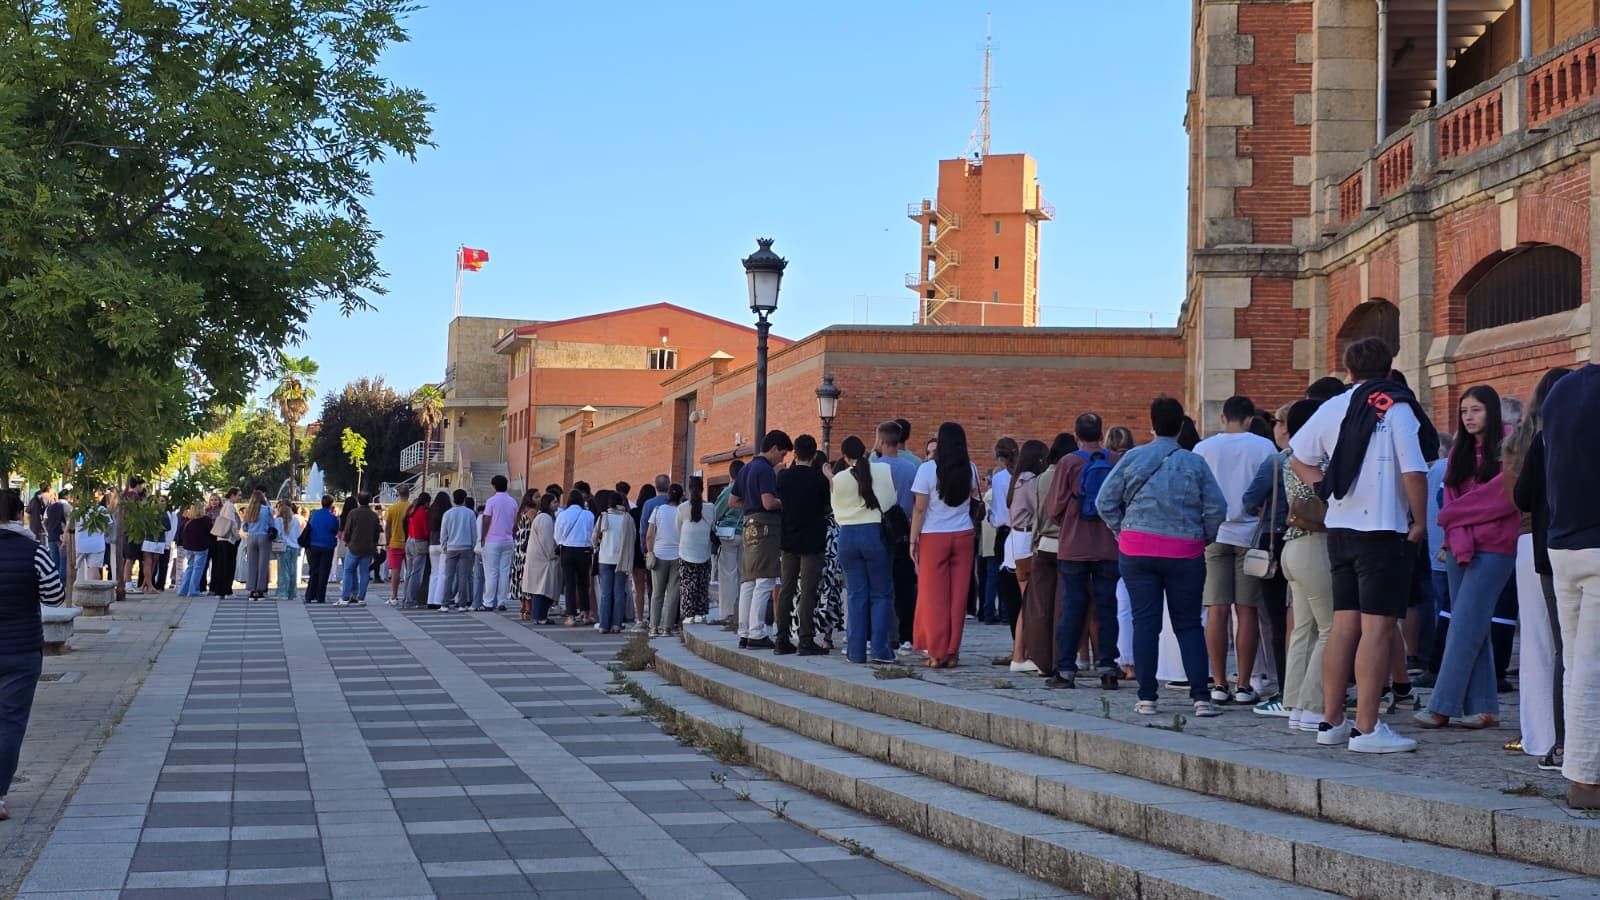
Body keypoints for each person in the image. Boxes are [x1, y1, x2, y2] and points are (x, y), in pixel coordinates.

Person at [1290, 337, 1434, 754]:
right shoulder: (1396, 405)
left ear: (1347, 370)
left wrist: (1324, 488)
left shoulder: (1332, 406)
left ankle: (1331, 720)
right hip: (1383, 529)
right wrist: (1421, 520)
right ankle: (1367, 727)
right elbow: (1414, 470)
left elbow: (1298, 454)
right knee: (1378, 628)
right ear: (1390, 368)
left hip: (1340, 529)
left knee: (1344, 626)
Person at [1096, 397, 1226, 718]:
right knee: (1188, 625)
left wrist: (1120, 530)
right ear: (1181, 426)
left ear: (1151, 423)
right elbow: (1217, 507)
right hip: (1185, 551)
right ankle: (1200, 697)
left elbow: (1105, 501)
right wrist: (1204, 534)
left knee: (1145, 624)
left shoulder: (1133, 458)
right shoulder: (1194, 462)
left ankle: (1147, 696)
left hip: (1137, 549)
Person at [1413, 385, 1518, 730]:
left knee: (1462, 626)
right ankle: (1485, 707)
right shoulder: (1459, 451)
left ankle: (1442, 705)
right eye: (1464, 411)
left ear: (1491, 411)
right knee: (1472, 627)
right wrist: (1453, 527)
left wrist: (1451, 517)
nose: (1469, 417)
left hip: (1495, 547)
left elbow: (1500, 499)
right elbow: (1450, 496)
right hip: (1459, 546)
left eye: (1476, 410)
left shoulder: (1510, 449)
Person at [1540, 359, 1600, 808]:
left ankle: (1577, 767)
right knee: (1592, 666)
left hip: (1562, 542)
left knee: (1575, 660)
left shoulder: (1561, 391)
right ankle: (1586, 777)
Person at [1194, 395, 1279, 705]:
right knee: (1247, 611)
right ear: (1249, 419)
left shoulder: (1203, 448)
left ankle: (1218, 682)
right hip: (1251, 533)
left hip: (1214, 532)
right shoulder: (1263, 447)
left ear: (1223, 418)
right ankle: (1244, 684)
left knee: (1216, 609)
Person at [1511, 368, 1573, 771]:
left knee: (1544, 646)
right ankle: (1561, 739)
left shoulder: (1532, 440)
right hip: (1562, 546)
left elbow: (1521, 498)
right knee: (1567, 648)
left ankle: (1544, 736)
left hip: (1536, 547)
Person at [0, 488, 65, 821]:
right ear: (17, 514)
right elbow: (55, 595)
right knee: (10, 722)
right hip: (22, 650)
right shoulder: (33, 550)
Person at [1048, 414, 1123, 689]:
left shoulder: (1069, 462)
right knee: (1107, 607)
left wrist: (1069, 520)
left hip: (1074, 546)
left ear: (1076, 435)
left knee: (1072, 607)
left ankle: (1066, 669)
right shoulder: (1114, 461)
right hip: (1108, 546)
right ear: (1101, 435)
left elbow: (1054, 508)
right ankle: (1107, 667)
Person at [1274, 399, 1334, 732]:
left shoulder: (1287, 455)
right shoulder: (1316, 456)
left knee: (1303, 630)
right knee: (1330, 628)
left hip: (1292, 544)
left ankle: (1294, 703)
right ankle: (1313, 706)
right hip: (1315, 543)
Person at [910, 422, 980, 668]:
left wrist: (912, 538)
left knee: (933, 596)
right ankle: (952, 651)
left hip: (934, 535)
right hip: (963, 534)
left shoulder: (927, 470)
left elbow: (920, 508)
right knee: (958, 597)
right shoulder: (970, 468)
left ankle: (936, 652)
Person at [833, 436, 898, 663]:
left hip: (847, 535)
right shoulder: (881, 469)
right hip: (873, 532)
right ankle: (881, 650)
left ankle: (856, 651)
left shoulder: (839, 477)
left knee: (855, 594)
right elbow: (890, 501)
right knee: (881, 593)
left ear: (844, 455)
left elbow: (835, 507)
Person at [732, 431, 793, 649]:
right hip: (766, 526)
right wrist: (784, 502)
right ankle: (757, 632)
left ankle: (745, 631)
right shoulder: (765, 469)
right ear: (775, 448)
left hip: (748, 524)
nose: (782, 459)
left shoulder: (747, 467)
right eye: (783, 454)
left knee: (749, 580)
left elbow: (733, 500)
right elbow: (768, 502)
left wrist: (751, 505)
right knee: (765, 579)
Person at [775, 435, 831, 655]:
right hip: (813, 540)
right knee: (808, 591)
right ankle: (805, 640)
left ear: (795, 453)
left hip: (788, 539)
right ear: (815, 454)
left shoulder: (784, 478)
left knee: (787, 589)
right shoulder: (819, 480)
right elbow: (827, 506)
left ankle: (781, 639)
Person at [1000, 440, 1047, 674]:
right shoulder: (1030, 481)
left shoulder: (1017, 479)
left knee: (1025, 599)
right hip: (1026, 540)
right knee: (1028, 601)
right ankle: (1019, 655)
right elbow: (1040, 510)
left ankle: (1022, 652)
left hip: (1015, 540)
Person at [873, 421, 921, 647]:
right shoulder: (912, 468)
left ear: (881, 441)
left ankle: (881, 634)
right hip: (904, 531)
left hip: (878, 530)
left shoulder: (873, 467)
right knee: (905, 587)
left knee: (880, 586)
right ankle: (906, 636)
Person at [593, 490, 636, 632]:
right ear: (621, 503)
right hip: (621, 559)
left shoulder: (603, 517)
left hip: (605, 558)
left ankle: (604, 625)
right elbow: (633, 537)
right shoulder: (628, 518)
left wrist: (597, 546)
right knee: (619, 592)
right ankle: (617, 624)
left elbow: (594, 537)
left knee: (605, 593)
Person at [645, 484, 684, 636]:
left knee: (657, 593)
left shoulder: (657, 510)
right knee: (673, 593)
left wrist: (650, 552)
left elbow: (649, 535)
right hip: (677, 554)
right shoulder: (681, 512)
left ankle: (654, 627)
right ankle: (667, 627)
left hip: (659, 554)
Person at [678, 476, 715, 627]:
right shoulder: (710, 507)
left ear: (688, 488)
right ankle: (701, 613)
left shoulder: (682, 508)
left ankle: (688, 614)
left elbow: (678, 528)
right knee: (702, 583)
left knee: (688, 584)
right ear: (702, 488)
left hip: (686, 551)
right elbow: (713, 526)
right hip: (703, 551)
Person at [555, 488, 596, 624]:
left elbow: (557, 536)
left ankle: (571, 615)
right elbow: (592, 533)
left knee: (570, 584)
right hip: (584, 551)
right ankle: (585, 613)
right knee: (584, 583)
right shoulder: (589, 515)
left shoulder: (562, 515)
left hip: (567, 550)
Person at [479, 475, 517, 612]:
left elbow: (487, 519)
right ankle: (502, 601)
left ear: (494, 486)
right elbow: (514, 521)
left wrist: (483, 536)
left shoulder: (491, 501)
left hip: (492, 540)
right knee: (504, 571)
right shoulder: (513, 501)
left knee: (491, 572)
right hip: (508, 540)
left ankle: (489, 601)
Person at [712, 461, 745, 624]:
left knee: (727, 574)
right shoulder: (748, 489)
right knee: (741, 573)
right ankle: (741, 609)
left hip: (728, 536)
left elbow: (716, 513)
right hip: (745, 533)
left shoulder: (728, 491)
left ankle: (727, 611)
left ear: (731, 474)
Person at [522, 493, 562, 623]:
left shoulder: (542, 517)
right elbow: (546, 541)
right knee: (542, 589)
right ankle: (540, 616)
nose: (557, 504)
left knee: (540, 588)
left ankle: (539, 615)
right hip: (543, 559)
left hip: (539, 557)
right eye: (554, 502)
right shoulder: (545, 518)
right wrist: (553, 554)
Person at [437, 490, 477, 611]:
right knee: (463, 577)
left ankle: (445, 603)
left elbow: (443, 533)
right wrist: (473, 546)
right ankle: (462, 604)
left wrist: (444, 547)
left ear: (453, 499)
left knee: (448, 576)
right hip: (466, 547)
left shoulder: (448, 514)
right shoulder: (470, 513)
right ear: (464, 499)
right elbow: (474, 532)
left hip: (451, 548)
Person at [338, 493, 380, 606]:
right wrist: (374, 543)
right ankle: (361, 598)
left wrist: (347, 541)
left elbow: (348, 530)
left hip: (354, 546)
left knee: (348, 571)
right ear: (369, 500)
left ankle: (345, 597)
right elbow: (377, 532)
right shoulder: (373, 515)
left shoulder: (353, 513)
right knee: (364, 572)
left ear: (359, 501)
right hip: (368, 547)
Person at [302, 496, 339, 604]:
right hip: (327, 545)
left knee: (314, 570)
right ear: (331, 504)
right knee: (324, 571)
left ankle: (309, 595)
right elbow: (335, 529)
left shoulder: (315, 514)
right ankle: (320, 596)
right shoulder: (332, 517)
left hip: (314, 545)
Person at [629, 483, 656, 629]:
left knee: (639, 588)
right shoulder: (655, 510)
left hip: (637, 552)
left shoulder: (634, 513)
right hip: (651, 550)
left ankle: (639, 619)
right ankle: (653, 616)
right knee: (653, 588)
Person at [240, 489, 273, 600]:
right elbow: (271, 524)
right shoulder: (267, 510)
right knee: (262, 565)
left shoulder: (249, 510)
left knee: (252, 564)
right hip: (264, 537)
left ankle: (252, 589)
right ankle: (260, 589)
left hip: (251, 537)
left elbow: (244, 527)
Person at [509, 490, 537, 621]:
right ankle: (528, 608)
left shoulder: (521, 511)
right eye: (537, 496)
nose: (539, 498)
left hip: (519, 546)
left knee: (519, 575)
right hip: (527, 546)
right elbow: (536, 527)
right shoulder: (532, 511)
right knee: (527, 576)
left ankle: (523, 607)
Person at [210, 488, 242, 598]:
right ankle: (226, 590)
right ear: (232, 495)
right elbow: (231, 523)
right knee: (228, 565)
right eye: (238, 495)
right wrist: (237, 536)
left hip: (221, 539)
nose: (239, 498)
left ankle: (220, 590)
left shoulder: (226, 506)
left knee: (222, 565)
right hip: (227, 539)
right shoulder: (230, 506)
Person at [384, 484, 412, 605]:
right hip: (410, 542)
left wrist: (387, 541)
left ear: (398, 494)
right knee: (410, 570)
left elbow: (387, 527)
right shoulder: (412, 507)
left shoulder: (392, 508)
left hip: (394, 543)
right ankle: (408, 595)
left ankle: (394, 596)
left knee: (396, 571)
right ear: (408, 494)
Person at [402, 491, 431, 610]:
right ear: (426, 502)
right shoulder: (422, 513)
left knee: (409, 572)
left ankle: (405, 598)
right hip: (419, 543)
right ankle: (411, 600)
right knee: (417, 573)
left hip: (409, 540)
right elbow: (425, 531)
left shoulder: (411, 511)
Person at [425, 491, 452, 609]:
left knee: (434, 573)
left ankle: (430, 599)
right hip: (443, 544)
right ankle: (439, 600)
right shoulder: (448, 512)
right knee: (443, 573)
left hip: (432, 544)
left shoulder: (431, 511)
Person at [74, 494, 109, 583]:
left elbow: (69, 527)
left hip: (80, 544)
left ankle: (76, 591)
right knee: (94, 568)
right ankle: (93, 593)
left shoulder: (76, 511)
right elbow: (107, 528)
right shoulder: (101, 510)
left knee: (77, 569)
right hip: (97, 545)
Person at [275, 500, 302, 601]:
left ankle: (282, 592)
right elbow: (299, 534)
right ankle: (292, 592)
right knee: (293, 570)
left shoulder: (278, 520)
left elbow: (276, 534)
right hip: (294, 546)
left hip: (283, 547)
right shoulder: (295, 520)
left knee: (283, 571)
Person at [43, 488, 70, 583]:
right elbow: (69, 522)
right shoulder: (67, 506)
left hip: (51, 537)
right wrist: (65, 536)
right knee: (63, 562)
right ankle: (61, 584)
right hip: (62, 537)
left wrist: (48, 532)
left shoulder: (49, 507)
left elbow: (44, 522)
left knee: (54, 562)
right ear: (67, 496)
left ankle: (54, 583)